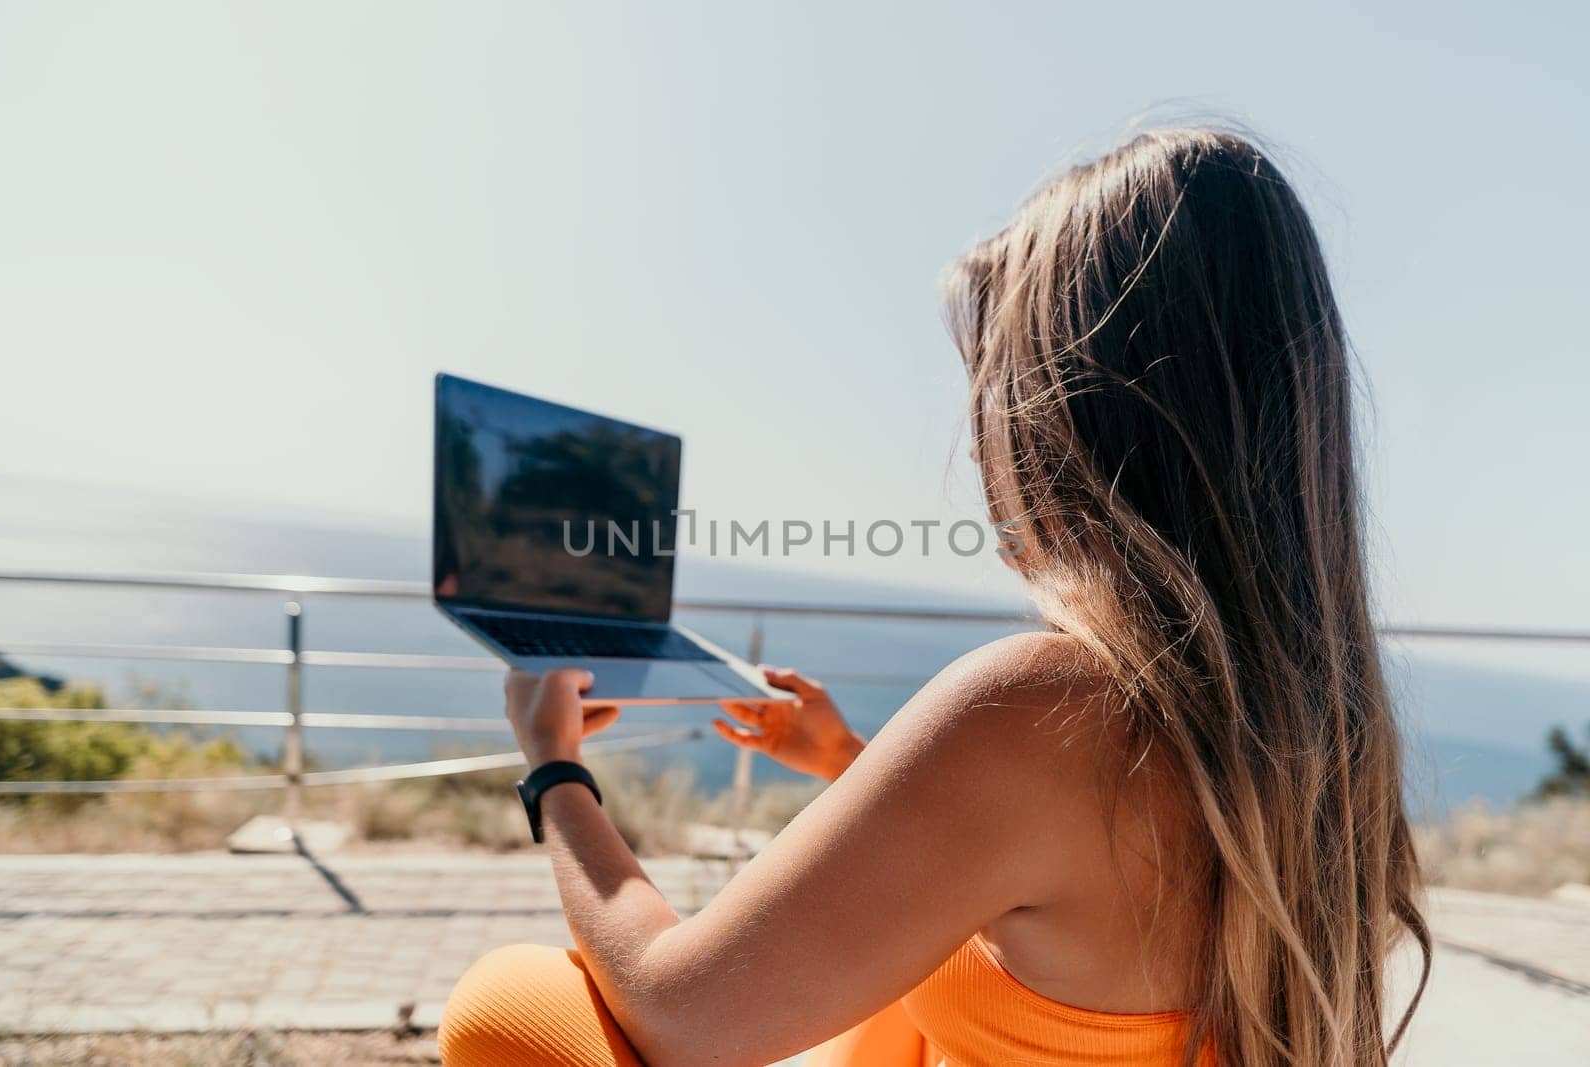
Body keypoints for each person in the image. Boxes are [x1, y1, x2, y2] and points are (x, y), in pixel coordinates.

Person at [438, 127, 1430, 1067]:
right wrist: (843, 760)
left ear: (1075, 414)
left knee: (504, 1004)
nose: (976, 437)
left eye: (994, 383)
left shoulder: (1051, 704)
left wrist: (553, 769)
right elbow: (1072, 886)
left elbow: (682, 1011)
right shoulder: (1322, 725)